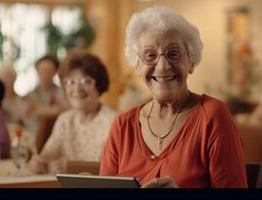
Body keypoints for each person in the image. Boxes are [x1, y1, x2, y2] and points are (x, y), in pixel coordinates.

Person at [99, 7, 247, 188]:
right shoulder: (123, 126)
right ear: (137, 66)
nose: (162, 66)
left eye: (173, 54)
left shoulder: (212, 116)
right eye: (150, 55)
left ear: (191, 62)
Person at [28, 52, 117, 174]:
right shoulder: (65, 120)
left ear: (99, 84)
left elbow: (117, 168)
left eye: (86, 81)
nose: (76, 89)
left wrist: (73, 167)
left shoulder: (113, 121)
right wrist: (38, 163)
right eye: (70, 82)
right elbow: (48, 155)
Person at [25, 55, 68, 133]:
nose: (45, 75)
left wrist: (38, 110)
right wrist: (53, 110)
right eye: (42, 71)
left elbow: (65, 111)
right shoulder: (29, 95)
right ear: (37, 71)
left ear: (55, 72)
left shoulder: (62, 93)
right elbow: (25, 115)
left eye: (49, 71)